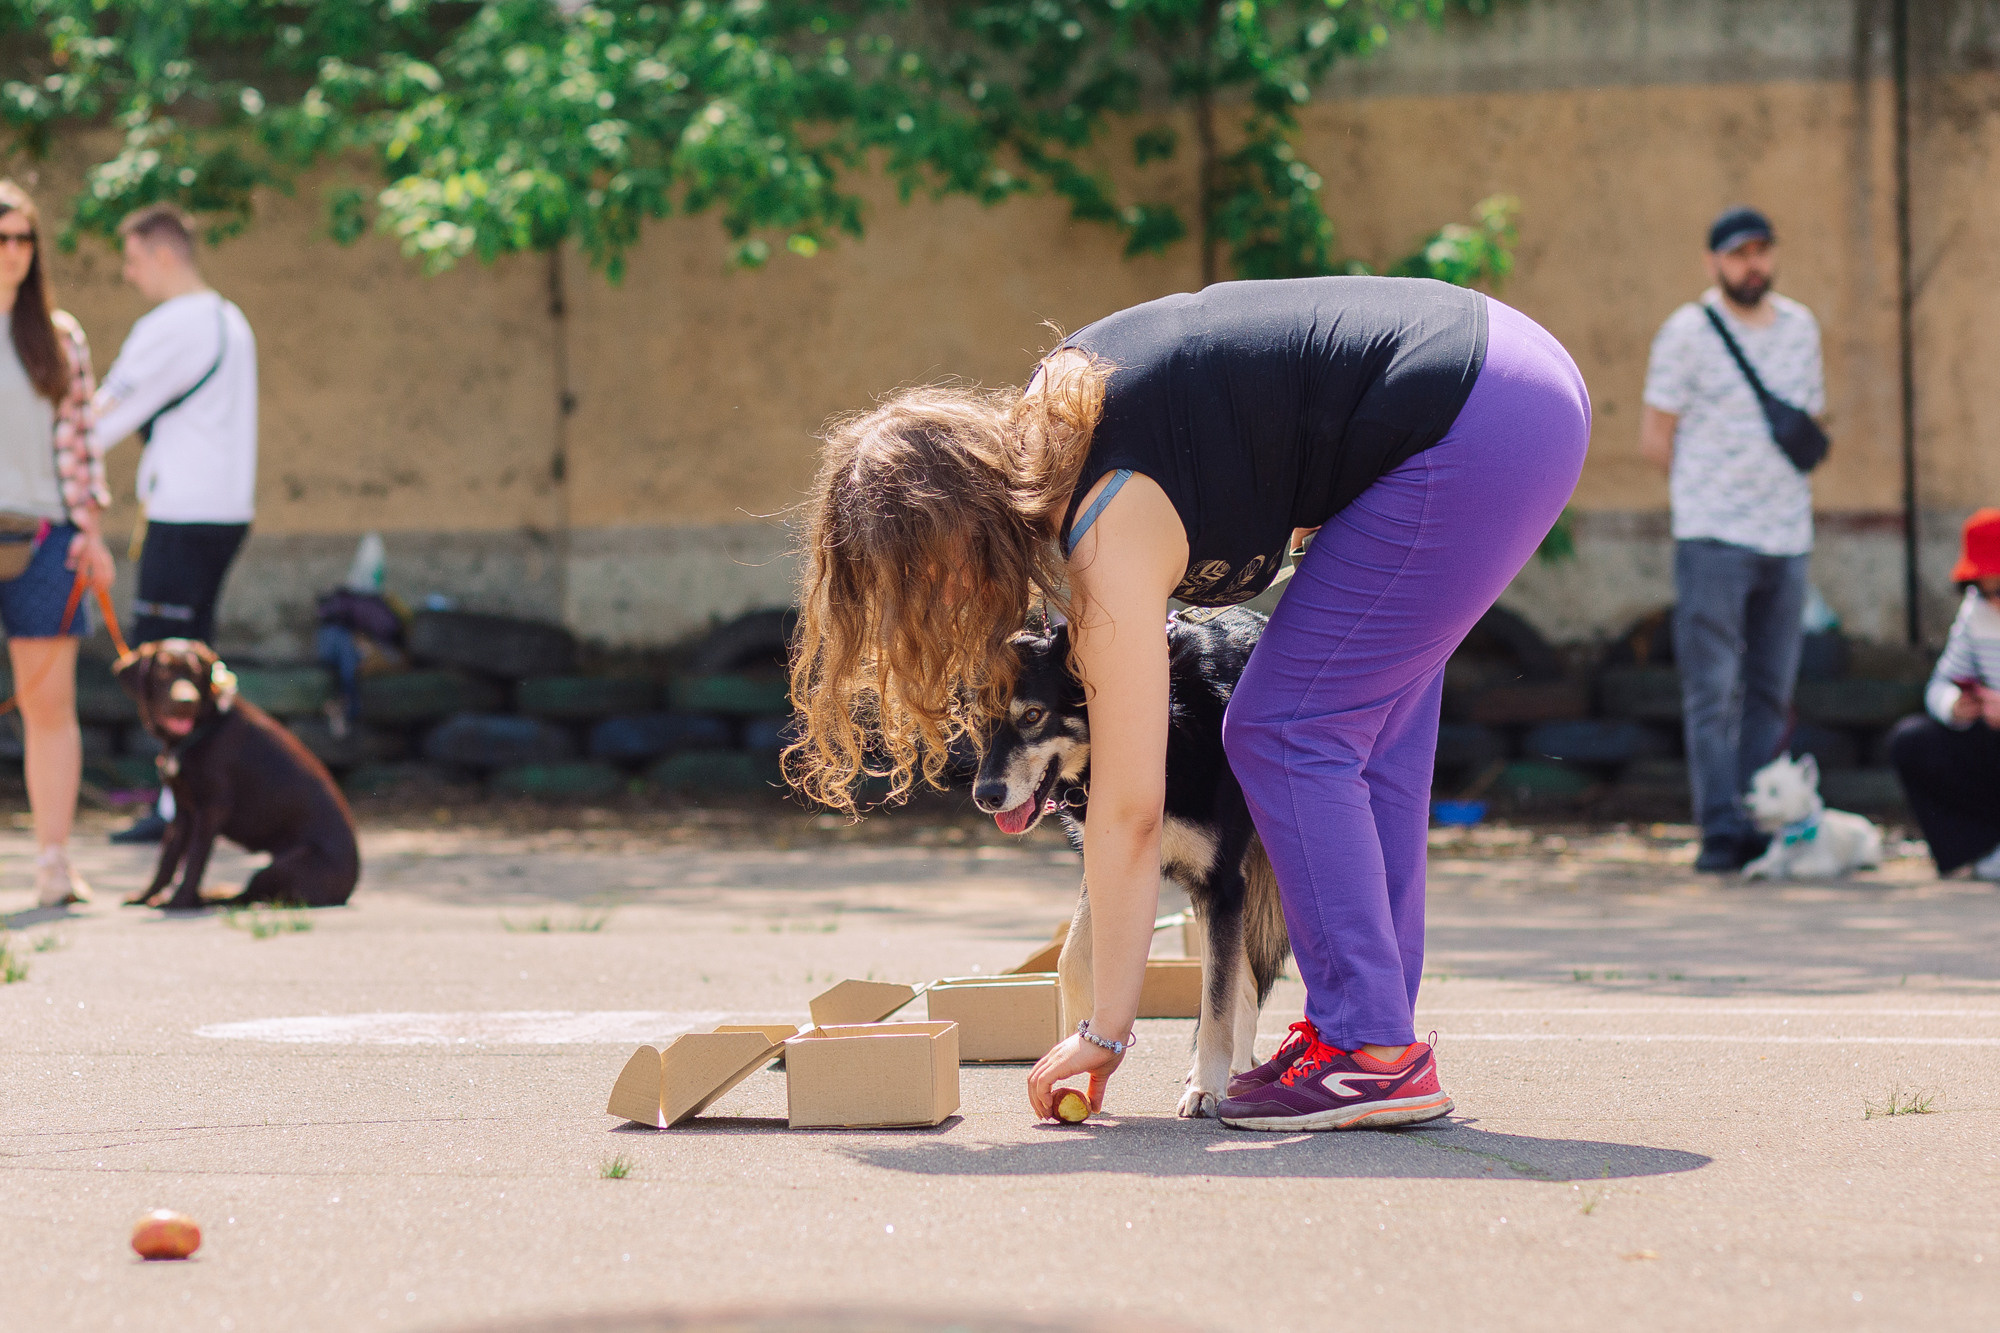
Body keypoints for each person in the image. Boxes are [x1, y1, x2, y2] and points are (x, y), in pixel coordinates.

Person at [788, 277, 1588, 1129]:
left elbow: (1131, 809)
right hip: (1509, 381)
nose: (939, 606)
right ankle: (1366, 1037)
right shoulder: (1052, 425)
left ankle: (1371, 1053)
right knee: (1365, 730)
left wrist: (1105, 1032)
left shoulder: (1103, 521)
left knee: (1285, 726)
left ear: (959, 526)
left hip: (1475, 415)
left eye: (926, 580)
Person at [1640, 206, 1826, 872]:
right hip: (1712, 534)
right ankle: (1721, 828)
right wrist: (1707, 492)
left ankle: (1760, 819)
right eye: (1739, 253)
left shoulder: (1801, 326)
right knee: (1711, 689)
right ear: (1712, 261)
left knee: (1772, 688)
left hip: (1788, 534)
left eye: (1761, 251)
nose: (1753, 264)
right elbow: (1655, 439)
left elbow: (1807, 415)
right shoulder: (1686, 332)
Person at [88, 204, 258, 844]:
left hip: (183, 515)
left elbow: (101, 421)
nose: (129, 275)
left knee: (162, 668)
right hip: (221, 514)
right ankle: (196, 797)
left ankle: (177, 808)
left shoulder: (174, 324)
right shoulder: (229, 319)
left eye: (132, 260)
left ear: (163, 254)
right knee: (197, 662)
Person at [0, 182, 116, 906]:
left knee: (50, 707)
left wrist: (93, 532)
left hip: (44, 537)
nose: (12, 252)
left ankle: (52, 862)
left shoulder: (59, 333)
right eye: (0, 238)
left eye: (23, 239)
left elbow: (83, 444)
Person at [1886, 509, 2000, 880]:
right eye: (1984, 590)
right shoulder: (1974, 613)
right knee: (1911, 740)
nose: (1993, 601)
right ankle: (1976, 853)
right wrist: (1954, 705)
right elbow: (1939, 684)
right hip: (1986, 734)